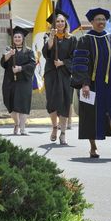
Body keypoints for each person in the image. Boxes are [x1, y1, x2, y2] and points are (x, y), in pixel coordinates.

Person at [71, 7, 111, 159]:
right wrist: (84, 84)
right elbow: (80, 64)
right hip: (90, 87)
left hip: (109, 86)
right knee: (91, 116)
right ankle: (93, 148)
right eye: (98, 19)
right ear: (91, 22)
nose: (101, 22)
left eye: (103, 19)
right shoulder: (84, 40)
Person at [43, 9, 77, 145]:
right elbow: (47, 53)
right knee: (51, 102)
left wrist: (63, 62)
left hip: (65, 74)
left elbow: (75, 57)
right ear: (54, 24)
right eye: (57, 21)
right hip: (51, 73)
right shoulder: (49, 36)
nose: (60, 23)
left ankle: (63, 133)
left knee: (64, 103)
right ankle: (54, 127)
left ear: (66, 23)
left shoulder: (72, 39)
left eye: (62, 21)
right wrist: (52, 37)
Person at [0, 26, 36, 135]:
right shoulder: (9, 49)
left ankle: (23, 128)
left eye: (19, 37)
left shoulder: (29, 51)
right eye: (15, 37)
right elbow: (3, 63)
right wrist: (9, 54)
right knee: (11, 104)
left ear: (23, 38)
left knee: (23, 104)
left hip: (24, 81)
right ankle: (16, 123)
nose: (17, 38)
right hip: (10, 81)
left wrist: (21, 68)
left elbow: (32, 65)